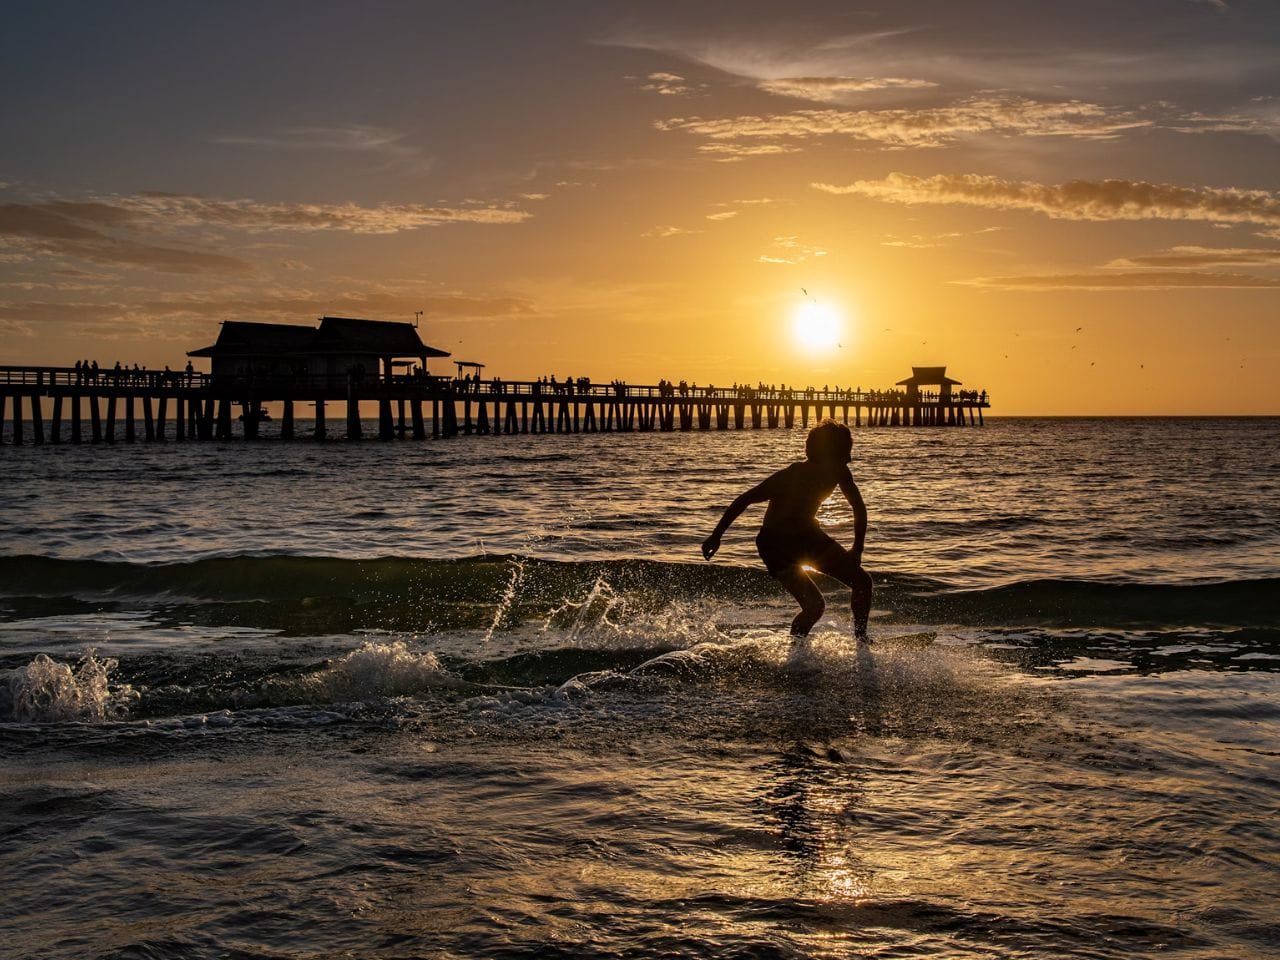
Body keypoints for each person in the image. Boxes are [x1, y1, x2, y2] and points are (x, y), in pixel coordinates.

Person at [702, 419, 872, 642]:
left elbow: (859, 508)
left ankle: (850, 642)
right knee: (823, 602)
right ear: (832, 452)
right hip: (776, 545)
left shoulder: (839, 472)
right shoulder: (790, 476)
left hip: (801, 538)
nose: (849, 458)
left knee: (834, 597)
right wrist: (716, 536)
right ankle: (806, 650)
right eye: (845, 452)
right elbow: (745, 499)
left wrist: (857, 548)